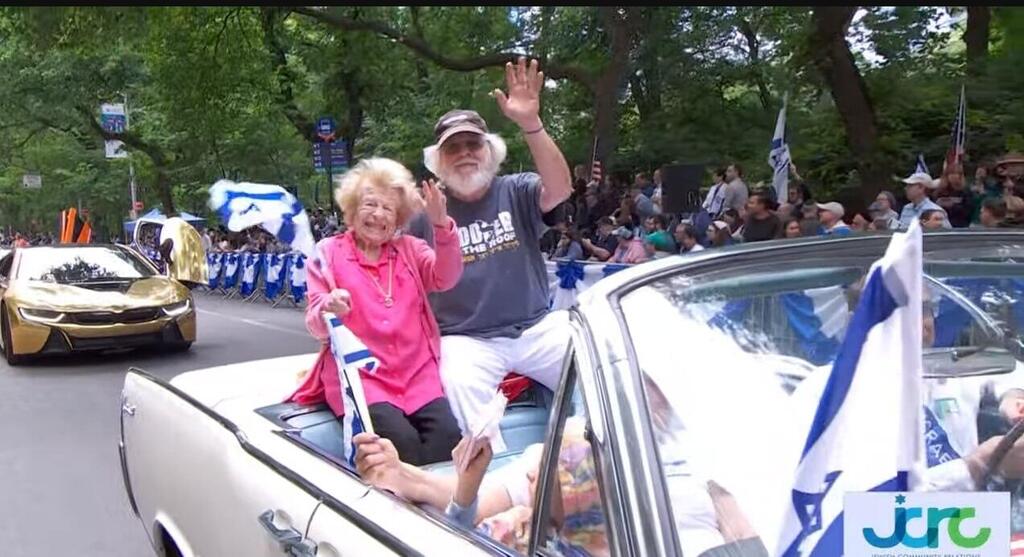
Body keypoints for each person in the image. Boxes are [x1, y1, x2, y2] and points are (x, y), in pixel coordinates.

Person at [408, 57, 573, 451]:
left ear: (490, 151)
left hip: (536, 327)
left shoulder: (516, 189)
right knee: (457, 383)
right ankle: (496, 483)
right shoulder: (423, 212)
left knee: (599, 362)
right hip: (466, 339)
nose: (465, 153)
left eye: (473, 144)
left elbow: (561, 190)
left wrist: (531, 123)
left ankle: (589, 458)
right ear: (437, 161)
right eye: (453, 148)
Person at [290, 157, 464, 466]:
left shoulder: (410, 249)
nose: (378, 215)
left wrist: (441, 227)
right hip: (363, 378)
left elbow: (446, 277)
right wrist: (329, 307)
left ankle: (437, 507)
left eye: (388, 209)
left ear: (398, 219)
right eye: (370, 204)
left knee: (448, 439)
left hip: (417, 375)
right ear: (352, 209)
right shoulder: (327, 253)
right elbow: (315, 324)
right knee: (401, 446)